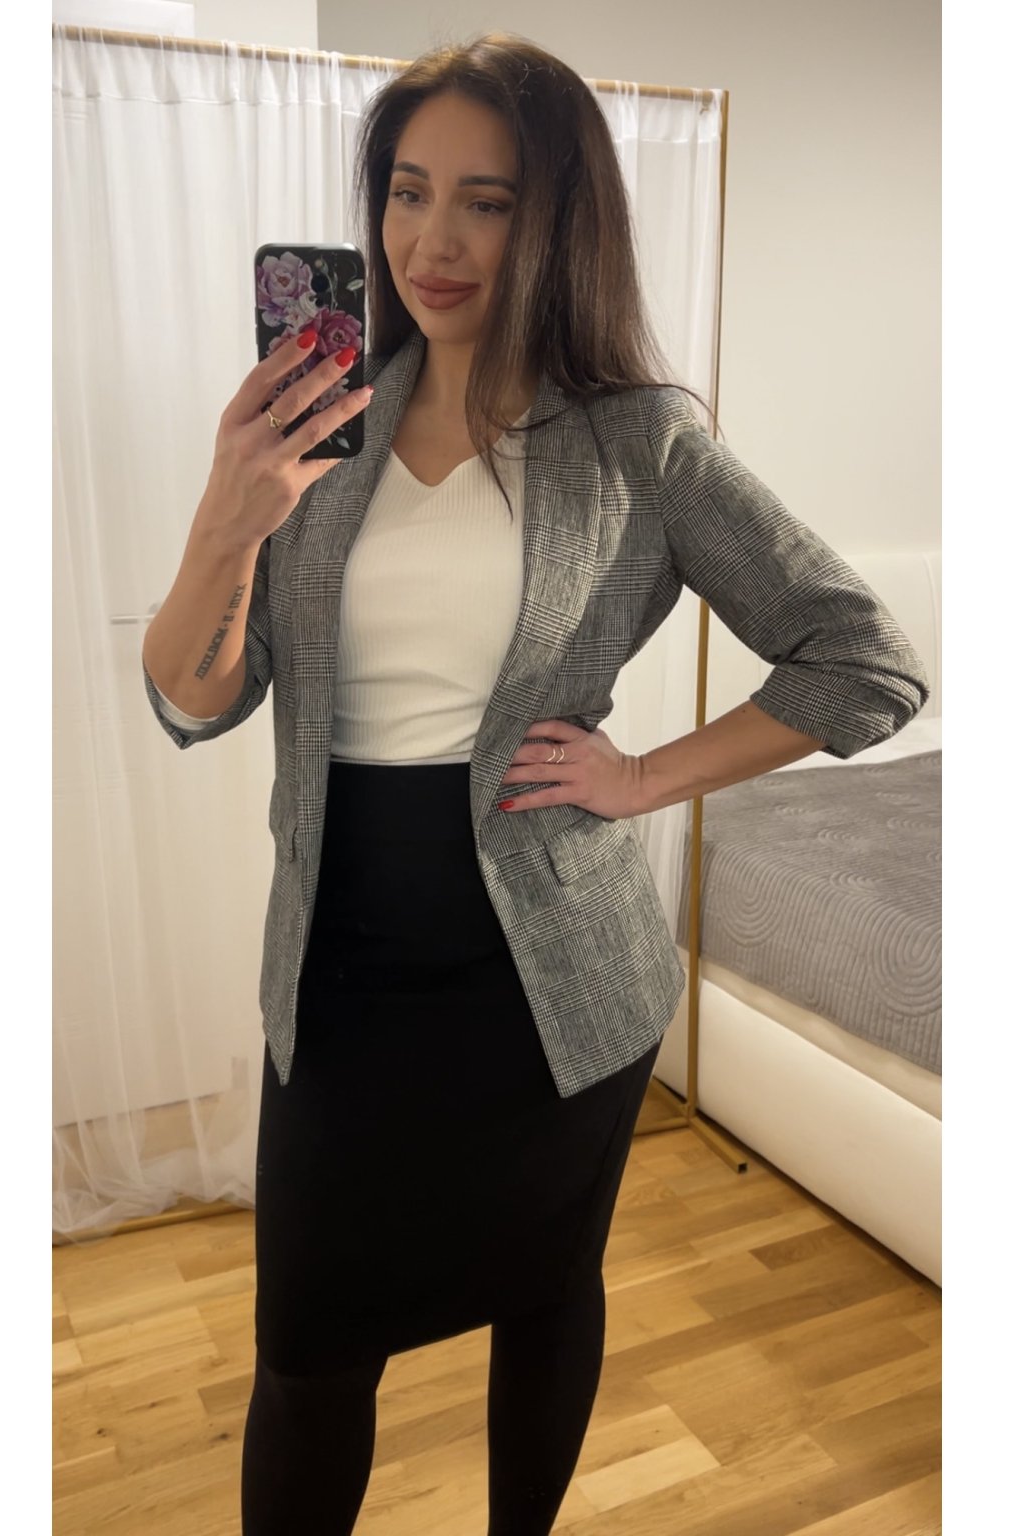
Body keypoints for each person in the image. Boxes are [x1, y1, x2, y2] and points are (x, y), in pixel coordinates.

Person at [141, 32, 930, 1536]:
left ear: (558, 220)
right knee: (307, 1349)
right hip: (339, 973)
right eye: (408, 191)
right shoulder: (323, 425)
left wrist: (643, 777)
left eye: (486, 202)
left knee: (545, 1289)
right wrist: (226, 522)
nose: (431, 241)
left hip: (556, 981)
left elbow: (865, 660)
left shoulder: (636, 441)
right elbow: (195, 700)